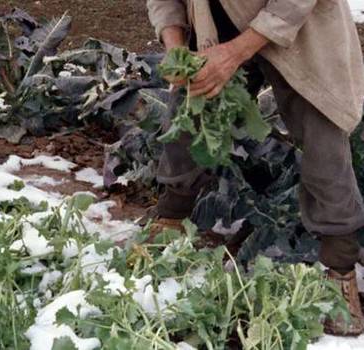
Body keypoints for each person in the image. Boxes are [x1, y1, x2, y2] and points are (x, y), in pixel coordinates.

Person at [146, 0, 364, 335]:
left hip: (299, 30)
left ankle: (340, 271)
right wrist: (176, 49)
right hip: (216, 26)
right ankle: (172, 218)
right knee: (190, 113)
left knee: (325, 145)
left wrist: (235, 54)